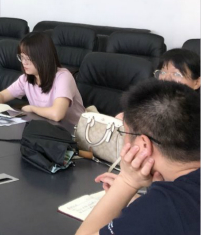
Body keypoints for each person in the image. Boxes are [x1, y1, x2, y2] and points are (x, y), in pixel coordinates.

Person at [76, 80, 199, 235]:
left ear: (144, 145)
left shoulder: (163, 208)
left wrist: (126, 182)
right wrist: (146, 200)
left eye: (124, 132)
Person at [0, 32, 85, 124]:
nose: (24, 62)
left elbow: (57, 114)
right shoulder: (26, 78)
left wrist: (32, 108)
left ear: (43, 58)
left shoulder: (63, 77)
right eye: (22, 57)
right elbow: (2, 96)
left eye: (29, 58)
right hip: (46, 129)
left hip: (73, 134)